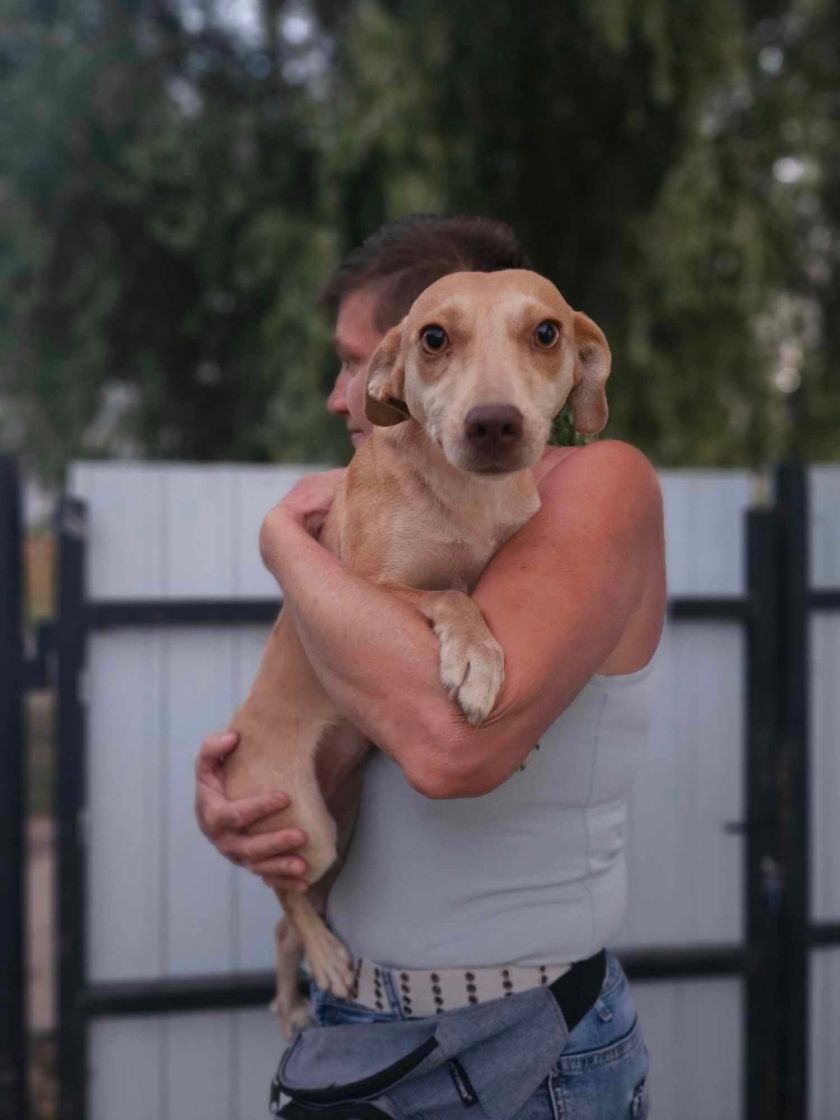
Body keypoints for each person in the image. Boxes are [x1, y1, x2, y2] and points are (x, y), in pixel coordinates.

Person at [195, 214, 665, 1118]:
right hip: (350, 1030)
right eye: (436, 346)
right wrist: (241, 804)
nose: (341, 398)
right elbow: (332, 721)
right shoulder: (383, 502)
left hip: (527, 1047)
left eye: (355, 362)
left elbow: (449, 747)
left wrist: (281, 543)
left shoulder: (602, 487)